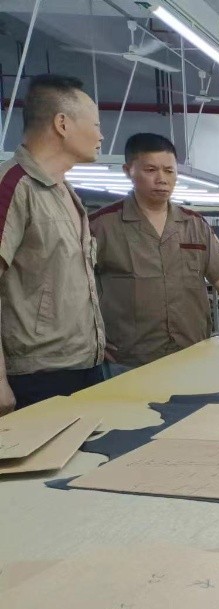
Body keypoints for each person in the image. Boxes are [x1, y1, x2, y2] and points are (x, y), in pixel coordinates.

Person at [90, 133, 219, 370]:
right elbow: (74, 289)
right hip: (129, 357)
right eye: (151, 170)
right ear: (128, 171)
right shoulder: (101, 226)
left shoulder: (194, 225)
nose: (161, 179)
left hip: (192, 350)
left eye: (169, 171)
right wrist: (91, 339)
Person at [0, 74, 107, 413]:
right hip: (36, 376)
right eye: (95, 124)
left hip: (82, 366)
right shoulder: (13, 187)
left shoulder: (64, 193)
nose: (101, 136)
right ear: (62, 124)